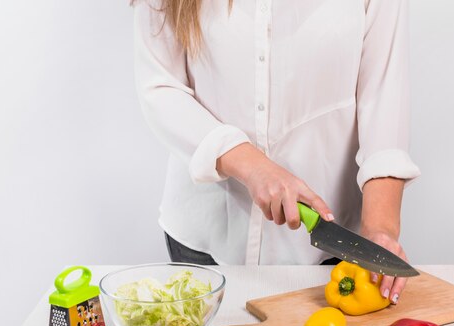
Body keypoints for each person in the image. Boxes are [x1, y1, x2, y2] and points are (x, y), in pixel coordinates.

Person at [133, 0, 420, 304]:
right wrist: (251, 165)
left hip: (330, 252)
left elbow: (383, 102)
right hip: (205, 239)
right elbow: (160, 86)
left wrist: (379, 229)